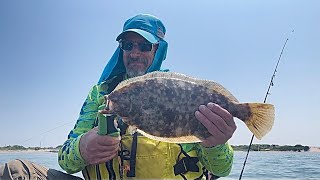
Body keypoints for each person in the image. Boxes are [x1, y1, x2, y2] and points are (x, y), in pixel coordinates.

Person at [0, 14, 236, 180]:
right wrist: (82, 149)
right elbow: (65, 160)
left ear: (157, 50)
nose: (135, 52)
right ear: (121, 49)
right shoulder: (100, 93)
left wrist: (216, 143)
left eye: (144, 46)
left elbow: (222, 169)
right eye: (128, 44)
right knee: (14, 171)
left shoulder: (184, 93)